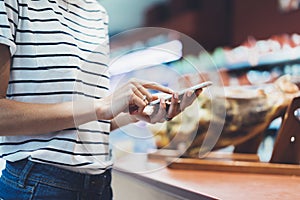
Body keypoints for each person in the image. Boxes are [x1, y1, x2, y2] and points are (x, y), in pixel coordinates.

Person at [0, 0, 201, 199]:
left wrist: (136, 113)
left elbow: (91, 123)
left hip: (100, 184)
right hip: (37, 184)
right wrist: (99, 106)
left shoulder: (96, 13)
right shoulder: (13, 4)